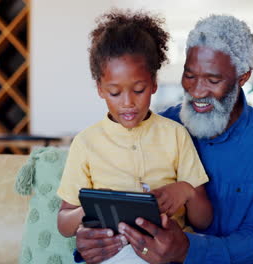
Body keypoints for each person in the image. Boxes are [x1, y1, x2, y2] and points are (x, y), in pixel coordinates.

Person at [76, 14, 253, 264]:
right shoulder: (162, 128)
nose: (197, 91)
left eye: (213, 80)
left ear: (243, 77)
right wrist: (93, 240)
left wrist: (187, 248)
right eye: (190, 75)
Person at [56, 10, 213, 264]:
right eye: (115, 92)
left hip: (164, 255)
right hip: (110, 255)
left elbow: (204, 220)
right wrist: (89, 209)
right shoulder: (86, 143)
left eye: (138, 90)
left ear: (153, 83)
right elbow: (64, 223)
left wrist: (186, 192)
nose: (128, 103)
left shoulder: (175, 135)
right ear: (100, 89)